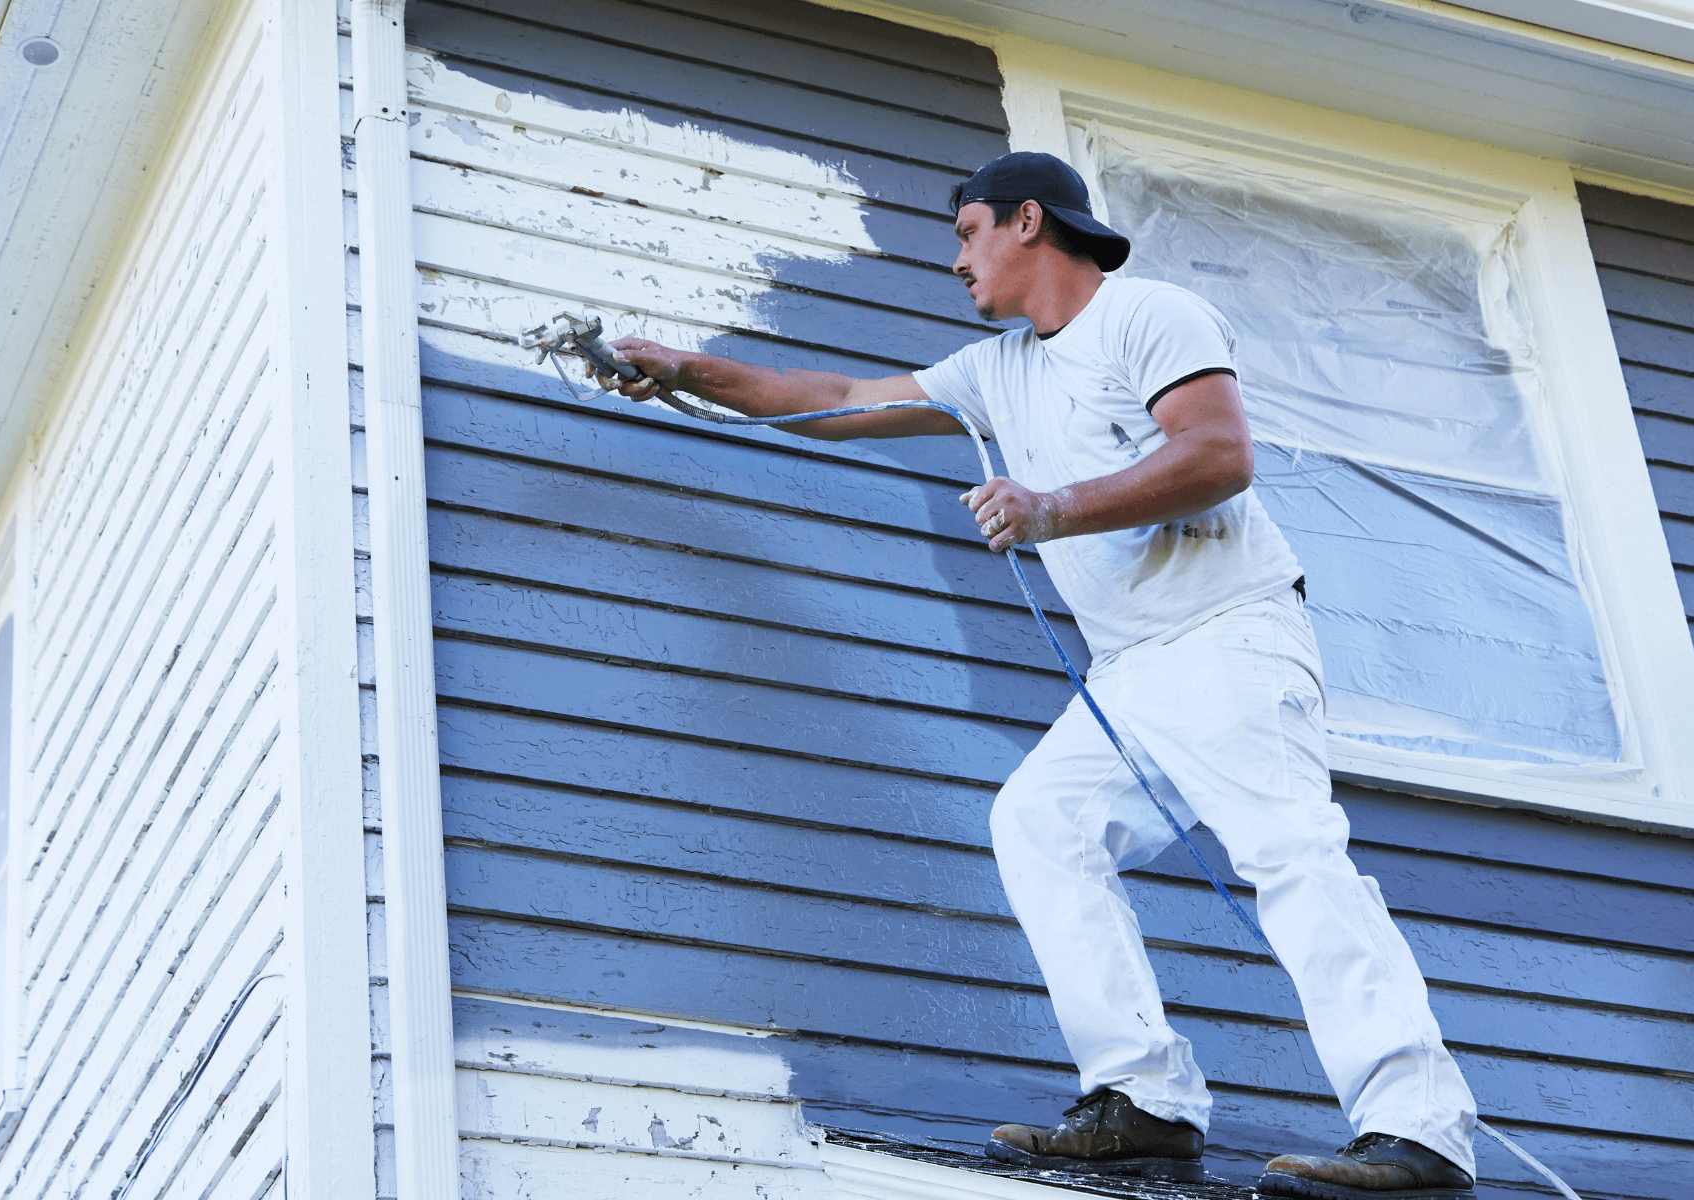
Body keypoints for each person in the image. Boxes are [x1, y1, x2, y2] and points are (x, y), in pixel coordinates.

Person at [595, 151, 1479, 1200]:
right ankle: (1143, 1101)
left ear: (1026, 222)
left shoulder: (1149, 314)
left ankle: (1421, 1133)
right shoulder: (993, 371)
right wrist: (686, 370)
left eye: (967, 233)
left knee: (1289, 851)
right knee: (1038, 822)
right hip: (1131, 672)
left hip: (1230, 631)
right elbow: (830, 394)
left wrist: (1050, 508)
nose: (956, 260)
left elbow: (1219, 453)